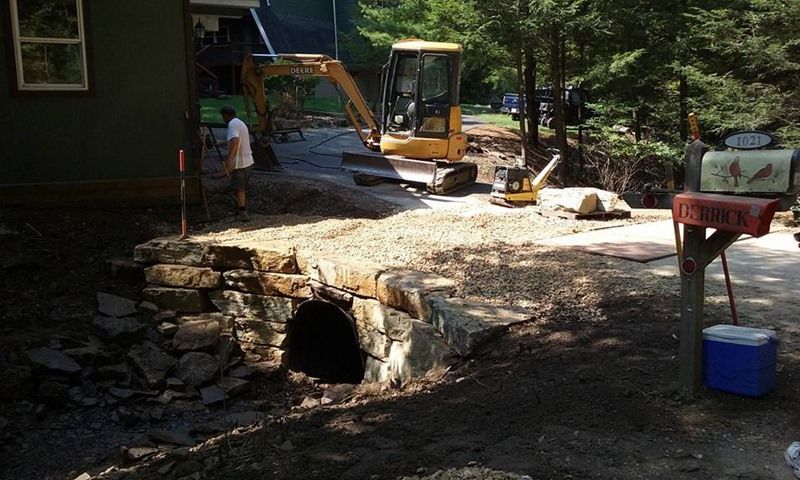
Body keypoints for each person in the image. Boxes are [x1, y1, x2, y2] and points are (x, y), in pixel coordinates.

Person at [218, 105, 254, 222]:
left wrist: (229, 159)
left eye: (223, 117)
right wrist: (222, 143)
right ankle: (240, 209)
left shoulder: (232, 124)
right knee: (241, 188)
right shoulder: (240, 123)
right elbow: (236, 139)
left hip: (240, 163)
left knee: (239, 189)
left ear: (226, 115)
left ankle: (242, 213)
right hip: (248, 161)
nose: (223, 119)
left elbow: (235, 141)